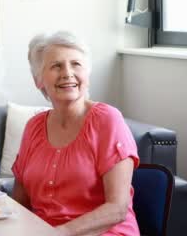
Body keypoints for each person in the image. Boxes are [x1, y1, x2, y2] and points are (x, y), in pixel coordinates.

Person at [12, 31, 140, 235]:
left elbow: (117, 209)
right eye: (56, 66)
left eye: (76, 64)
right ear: (38, 80)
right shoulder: (33, 127)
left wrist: (61, 232)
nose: (67, 73)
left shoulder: (107, 119)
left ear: (87, 74)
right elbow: (20, 205)